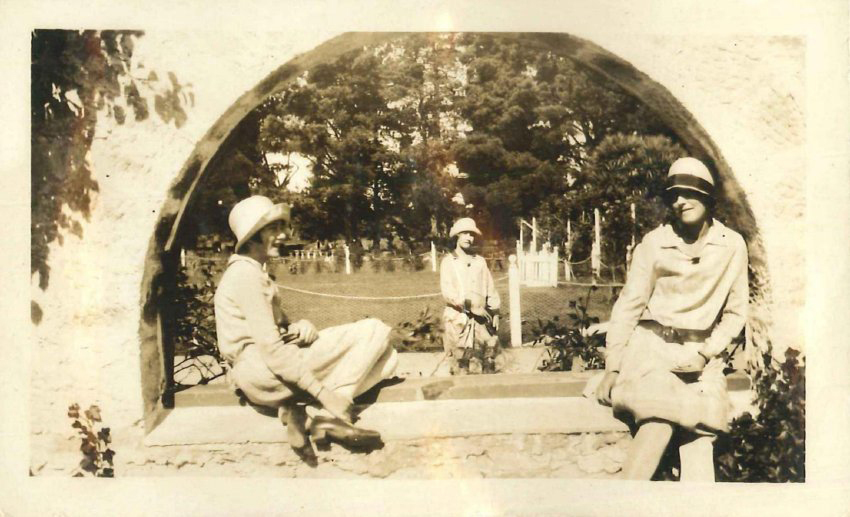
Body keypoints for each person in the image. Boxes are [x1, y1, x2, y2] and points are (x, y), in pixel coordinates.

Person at [593, 157, 749, 481]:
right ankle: (620, 504)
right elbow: (628, 307)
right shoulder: (655, 242)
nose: (679, 202)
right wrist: (613, 368)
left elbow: (736, 313)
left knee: (701, 433)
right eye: (673, 195)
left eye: (689, 193)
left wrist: (705, 354)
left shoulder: (732, 245)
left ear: (707, 197)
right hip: (652, 350)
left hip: (703, 357)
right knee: (658, 419)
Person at [214, 195, 398, 466]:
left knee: (390, 359)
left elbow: (275, 330)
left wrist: (300, 327)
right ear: (252, 236)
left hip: (263, 372)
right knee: (375, 330)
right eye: (273, 229)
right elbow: (273, 350)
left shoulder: (251, 272)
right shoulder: (245, 276)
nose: (283, 235)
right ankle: (325, 413)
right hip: (263, 370)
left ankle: (301, 412)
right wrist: (326, 394)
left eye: (281, 227)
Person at [440, 217, 501, 374]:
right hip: (459, 318)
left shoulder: (479, 261)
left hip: (481, 320)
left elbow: (489, 287)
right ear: (457, 236)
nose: (469, 238)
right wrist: (468, 305)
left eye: (472, 234)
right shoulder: (449, 262)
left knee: (488, 359)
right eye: (465, 233)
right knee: (461, 363)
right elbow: (448, 292)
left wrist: (494, 311)